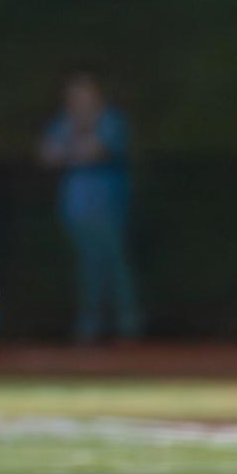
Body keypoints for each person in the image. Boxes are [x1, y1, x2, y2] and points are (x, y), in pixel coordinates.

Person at [39, 74, 144, 345]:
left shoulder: (110, 121)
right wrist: (75, 149)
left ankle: (128, 326)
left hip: (109, 207)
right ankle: (90, 327)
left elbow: (95, 151)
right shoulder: (64, 122)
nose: (78, 101)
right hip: (75, 210)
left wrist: (69, 151)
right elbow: (48, 154)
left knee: (114, 265)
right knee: (87, 268)